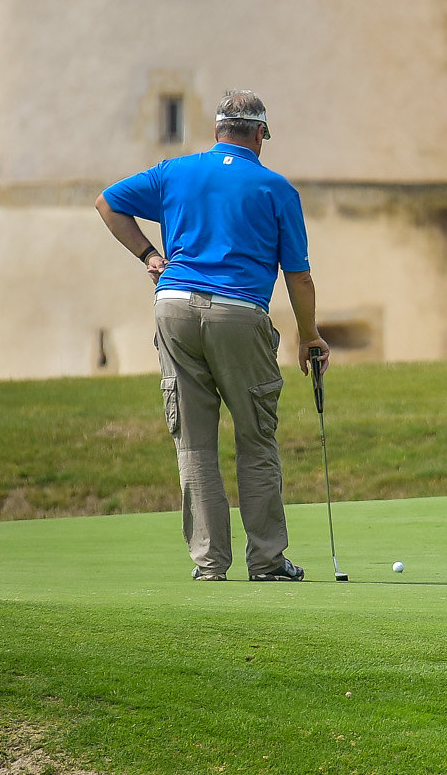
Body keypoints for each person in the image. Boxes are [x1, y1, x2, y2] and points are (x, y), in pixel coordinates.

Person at [95, 90, 327, 582]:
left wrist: (149, 257)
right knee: (255, 437)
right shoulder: (275, 188)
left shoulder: (173, 171)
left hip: (173, 307)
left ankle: (208, 565)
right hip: (239, 313)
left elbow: (107, 202)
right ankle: (265, 561)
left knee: (195, 444)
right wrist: (309, 336)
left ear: (219, 130)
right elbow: (299, 276)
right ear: (260, 134)